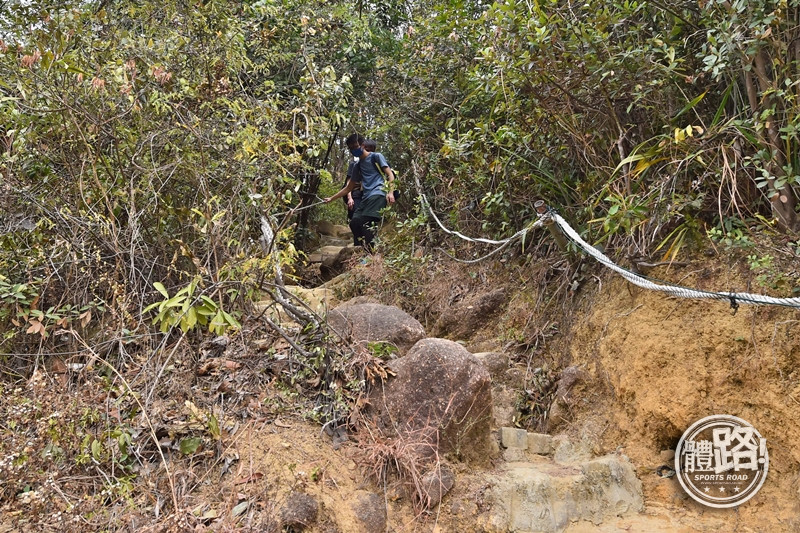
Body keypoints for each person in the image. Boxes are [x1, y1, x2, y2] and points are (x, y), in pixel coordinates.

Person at [325, 134, 395, 252]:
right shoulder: (357, 166)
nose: (354, 150)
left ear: (362, 145)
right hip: (366, 197)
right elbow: (348, 188)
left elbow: (390, 174)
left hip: (378, 193)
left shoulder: (376, 157)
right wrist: (331, 198)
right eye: (351, 148)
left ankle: (371, 254)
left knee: (366, 223)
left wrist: (391, 192)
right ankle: (363, 251)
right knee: (355, 222)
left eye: (355, 146)